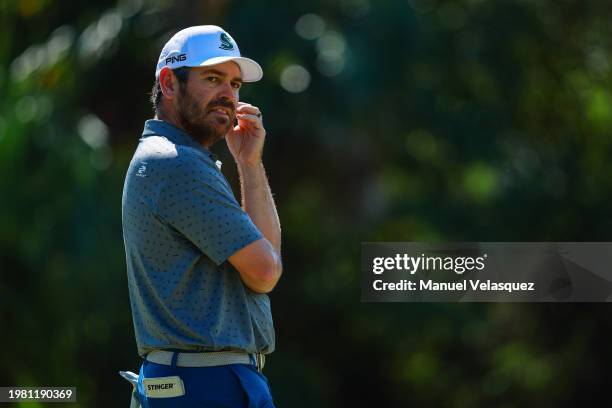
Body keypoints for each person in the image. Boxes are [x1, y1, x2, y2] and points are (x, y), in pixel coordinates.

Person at [121, 25, 282, 408]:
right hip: (205, 382)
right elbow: (265, 272)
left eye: (236, 84)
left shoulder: (173, 159)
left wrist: (249, 164)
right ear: (169, 83)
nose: (228, 95)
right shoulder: (177, 164)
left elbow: (268, 264)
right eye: (213, 79)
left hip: (202, 378)